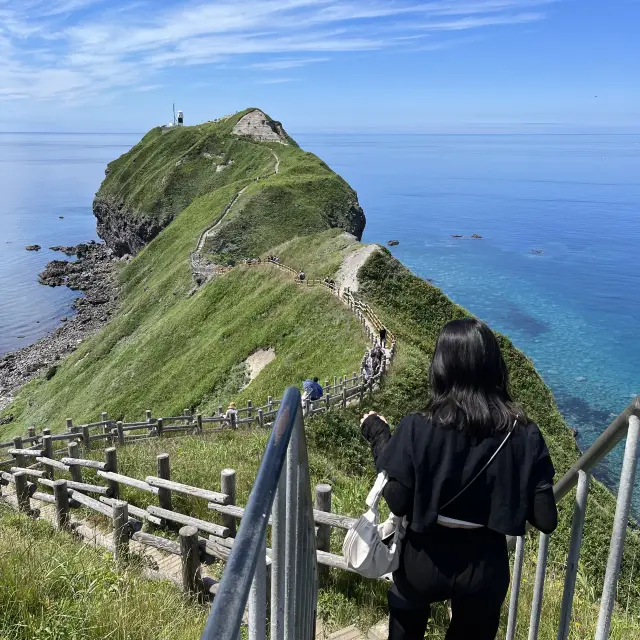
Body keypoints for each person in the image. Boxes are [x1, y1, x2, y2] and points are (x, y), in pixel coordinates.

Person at [359, 318, 557, 640]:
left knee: (406, 620)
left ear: (441, 367)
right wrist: (526, 475)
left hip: (424, 558)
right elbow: (545, 518)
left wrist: (380, 435)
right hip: (484, 566)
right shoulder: (524, 434)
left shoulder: (418, 427)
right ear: (495, 366)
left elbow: (397, 498)